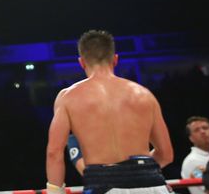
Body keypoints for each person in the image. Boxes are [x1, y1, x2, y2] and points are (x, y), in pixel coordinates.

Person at [46, 30, 174, 194]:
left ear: (82, 62)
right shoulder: (144, 95)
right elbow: (166, 155)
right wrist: (139, 171)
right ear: (115, 59)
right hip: (153, 185)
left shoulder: (68, 97)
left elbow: (54, 153)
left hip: (104, 185)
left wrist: (55, 192)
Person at [181, 116, 209, 194]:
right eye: (196, 130)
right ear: (191, 138)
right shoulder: (192, 161)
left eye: (205, 128)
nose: (202, 131)